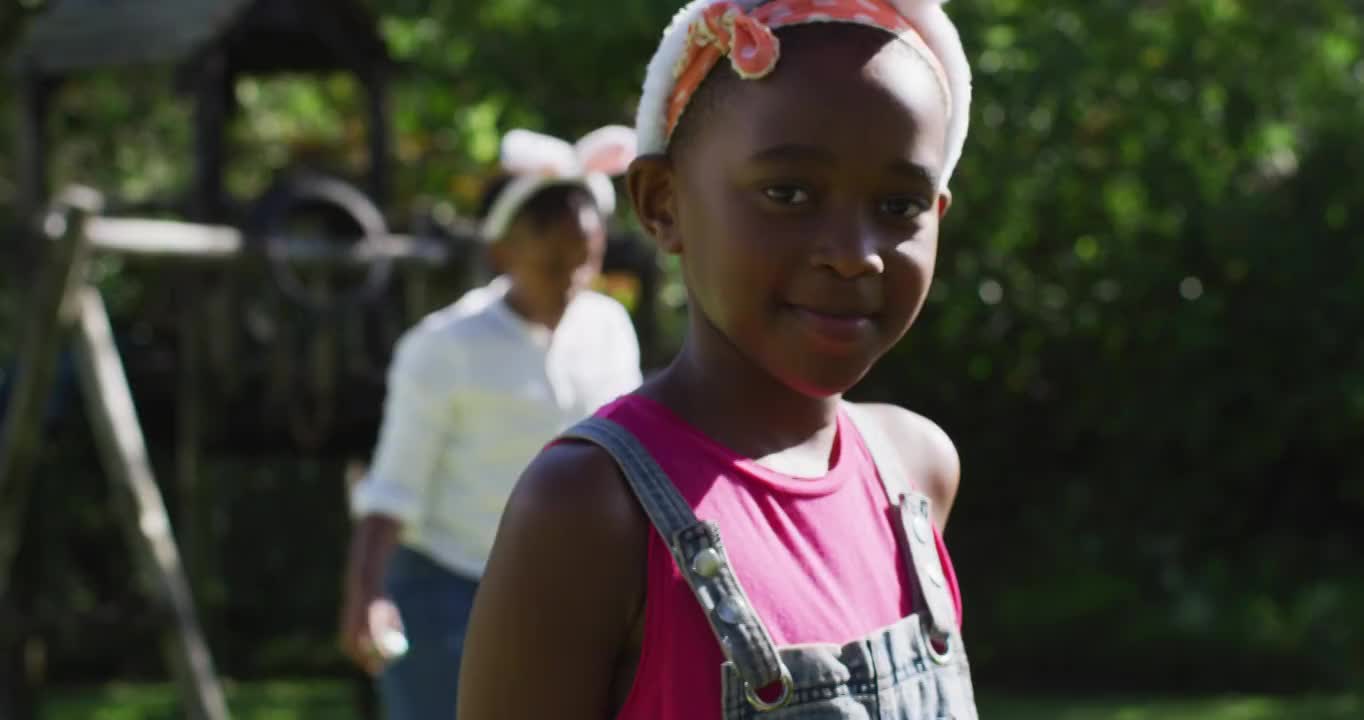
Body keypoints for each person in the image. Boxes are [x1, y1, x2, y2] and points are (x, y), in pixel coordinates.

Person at [459, 0, 978, 718]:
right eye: (788, 193)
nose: (854, 255)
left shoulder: (915, 475)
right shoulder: (589, 509)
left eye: (898, 206)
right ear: (663, 202)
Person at [339, 125, 644, 720]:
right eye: (555, 260)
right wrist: (365, 595)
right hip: (449, 590)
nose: (574, 278)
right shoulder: (445, 346)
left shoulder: (608, 328)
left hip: (570, 591)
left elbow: (632, 461)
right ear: (502, 252)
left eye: (587, 259)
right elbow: (391, 488)